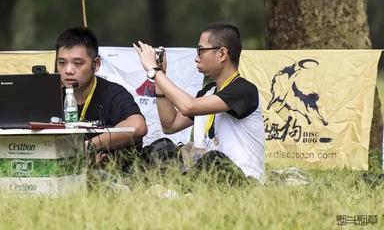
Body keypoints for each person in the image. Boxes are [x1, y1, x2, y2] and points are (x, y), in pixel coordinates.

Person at [134, 22, 265, 182]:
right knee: (161, 147)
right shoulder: (208, 92)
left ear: (222, 54)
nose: (196, 58)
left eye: (200, 51)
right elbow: (170, 125)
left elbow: (188, 107)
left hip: (241, 179)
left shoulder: (244, 90)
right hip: (204, 175)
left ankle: (174, 189)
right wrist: (160, 78)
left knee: (214, 160)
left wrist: (153, 71)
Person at [55, 27, 148, 164]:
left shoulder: (112, 93)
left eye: (78, 63)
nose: (68, 70)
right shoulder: (50, 96)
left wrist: (88, 147)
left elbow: (138, 125)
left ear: (96, 64)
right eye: (62, 63)